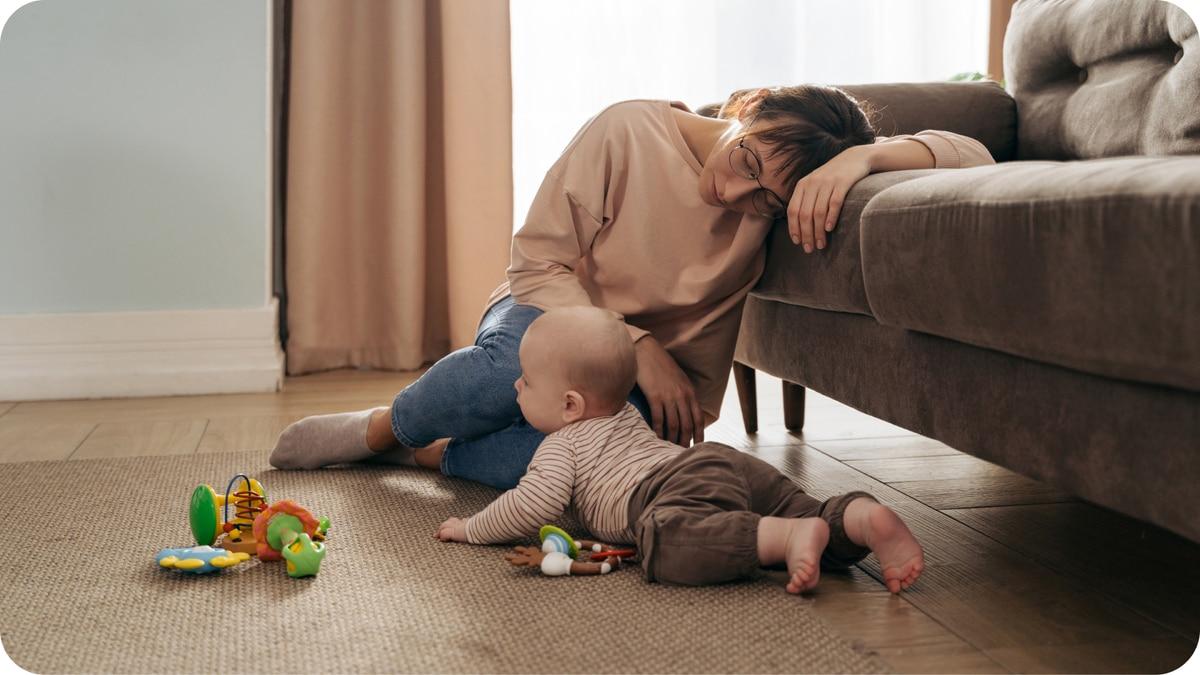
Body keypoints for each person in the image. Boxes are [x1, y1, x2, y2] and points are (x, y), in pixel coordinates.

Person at [269, 85, 995, 490]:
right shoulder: (628, 131)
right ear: (750, 106)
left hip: (661, 382)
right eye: (747, 160)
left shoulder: (783, 192)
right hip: (548, 313)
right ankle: (382, 430)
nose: (734, 192)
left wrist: (859, 164)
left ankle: (432, 454)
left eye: (765, 202)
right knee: (504, 374)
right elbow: (535, 264)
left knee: (575, 465)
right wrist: (632, 340)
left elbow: (976, 154)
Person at [434, 307, 924, 594]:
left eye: (526, 380)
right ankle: (857, 518)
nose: (516, 386)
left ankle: (784, 536)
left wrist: (471, 528)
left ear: (569, 405)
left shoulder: (560, 446)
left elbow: (530, 505)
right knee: (795, 502)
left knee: (665, 540)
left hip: (666, 491)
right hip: (718, 463)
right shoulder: (625, 412)